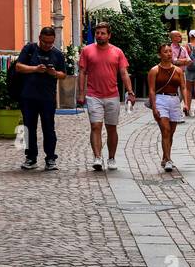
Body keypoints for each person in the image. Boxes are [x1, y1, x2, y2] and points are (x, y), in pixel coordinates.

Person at [77, 21, 135, 172]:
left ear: (109, 35)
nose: (99, 36)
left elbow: (123, 73)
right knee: (95, 126)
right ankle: (97, 157)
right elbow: (82, 72)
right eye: (97, 33)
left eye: (103, 33)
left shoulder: (117, 52)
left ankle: (111, 158)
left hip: (112, 95)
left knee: (111, 128)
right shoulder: (87, 51)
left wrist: (130, 92)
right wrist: (81, 93)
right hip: (93, 95)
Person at [15, 26, 67, 172]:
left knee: (49, 129)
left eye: (50, 43)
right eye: (45, 42)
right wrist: (35, 69)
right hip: (28, 96)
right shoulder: (29, 49)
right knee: (29, 128)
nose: (47, 46)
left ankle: (50, 158)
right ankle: (31, 157)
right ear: (40, 38)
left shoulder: (57, 54)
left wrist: (53, 73)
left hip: (47, 97)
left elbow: (63, 74)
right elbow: (19, 67)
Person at [148, 43, 190, 172]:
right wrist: (154, 107)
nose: (169, 54)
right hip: (161, 99)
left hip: (174, 100)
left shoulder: (177, 70)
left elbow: (183, 87)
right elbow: (151, 90)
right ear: (160, 54)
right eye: (165, 52)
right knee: (165, 130)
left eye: (170, 51)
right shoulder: (154, 70)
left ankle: (165, 157)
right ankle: (168, 159)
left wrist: (186, 103)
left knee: (170, 133)